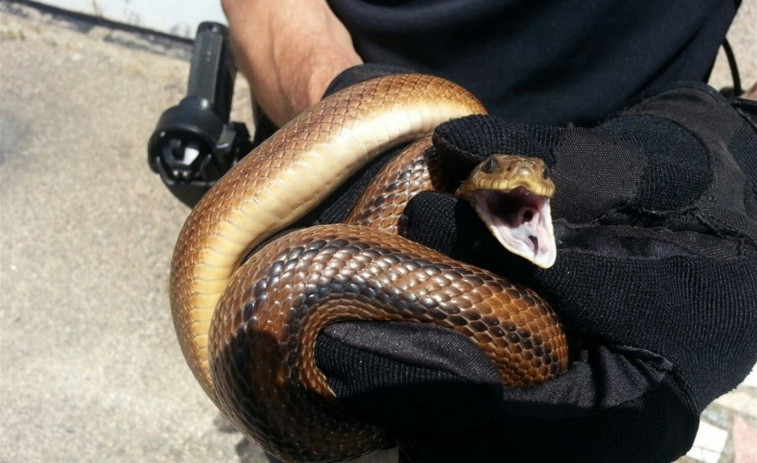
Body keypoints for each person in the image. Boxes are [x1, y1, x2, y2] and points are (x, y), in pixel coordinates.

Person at [220, 1, 757, 462]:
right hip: (335, 168)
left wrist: (745, 152)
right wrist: (339, 107)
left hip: (630, 198)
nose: (523, 181)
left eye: (532, 182)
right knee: (290, 391)